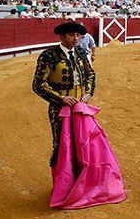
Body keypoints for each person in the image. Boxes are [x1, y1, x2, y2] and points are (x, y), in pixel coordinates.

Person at [32, 21, 95, 166]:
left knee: (82, 143)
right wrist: (61, 98)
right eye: (71, 35)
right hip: (59, 109)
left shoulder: (80, 53)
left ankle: (78, 182)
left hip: (80, 107)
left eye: (78, 35)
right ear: (62, 37)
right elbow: (38, 84)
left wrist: (88, 93)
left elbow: (90, 74)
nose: (76, 38)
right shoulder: (49, 55)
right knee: (62, 144)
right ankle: (61, 182)